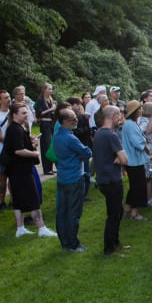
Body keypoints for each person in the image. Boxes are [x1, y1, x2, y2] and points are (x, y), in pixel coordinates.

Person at [4, 102, 56, 239]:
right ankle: (41, 228)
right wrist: (35, 154)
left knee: (19, 199)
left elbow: (22, 146)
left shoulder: (19, 128)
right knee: (33, 198)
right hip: (20, 169)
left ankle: (20, 228)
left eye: (26, 112)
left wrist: (33, 143)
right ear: (14, 115)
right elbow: (18, 150)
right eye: (23, 113)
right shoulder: (14, 129)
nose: (26, 115)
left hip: (17, 169)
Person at [53, 108, 93, 252]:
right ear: (64, 122)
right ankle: (73, 244)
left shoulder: (58, 135)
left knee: (62, 211)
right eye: (72, 119)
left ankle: (65, 243)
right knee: (73, 212)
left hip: (63, 177)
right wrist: (81, 154)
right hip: (74, 178)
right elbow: (87, 152)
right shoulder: (70, 138)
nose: (76, 121)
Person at [93, 106, 130, 256]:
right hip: (112, 180)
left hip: (103, 179)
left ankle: (115, 243)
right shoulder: (111, 135)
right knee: (114, 215)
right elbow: (125, 160)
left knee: (117, 212)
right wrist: (119, 158)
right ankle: (109, 249)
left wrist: (116, 158)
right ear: (114, 116)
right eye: (119, 115)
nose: (121, 118)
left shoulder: (98, 133)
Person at [121, 100, 149, 221]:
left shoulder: (129, 123)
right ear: (135, 111)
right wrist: (146, 146)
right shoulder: (130, 125)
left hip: (132, 160)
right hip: (134, 160)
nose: (141, 111)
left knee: (134, 187)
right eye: (139, 109)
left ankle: (127, 208)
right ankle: (134, 213)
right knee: (139, 187)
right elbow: (137, 142)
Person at [35, 82, 56, 175]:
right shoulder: (40, 100)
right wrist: (51, 109)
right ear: (44, 90)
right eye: (49, 89)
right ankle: (46, 168)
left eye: (51, 89)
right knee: (46, 145)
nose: (50, 91)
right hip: (45, 123)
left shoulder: (50, 100)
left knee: (51, 145)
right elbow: (39, 114)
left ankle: (50, 167)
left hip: (51, 123)